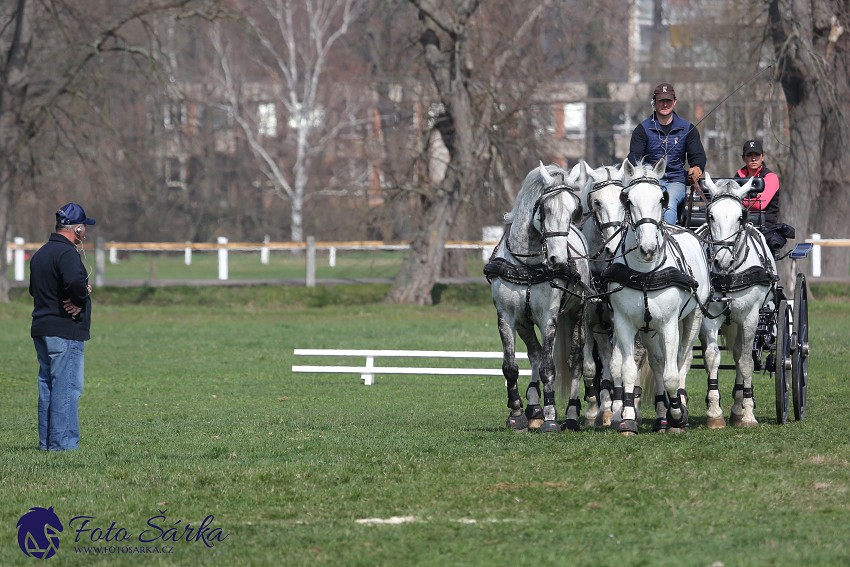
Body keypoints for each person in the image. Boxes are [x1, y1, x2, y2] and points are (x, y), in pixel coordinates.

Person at [29, 203, 96, 451]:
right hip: (64, 330)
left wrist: (78, 292)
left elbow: (34, 290)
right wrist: (80, 300)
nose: (85, 233)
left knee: (48, 386)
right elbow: (73, 283)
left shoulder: (41, 254)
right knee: (67, 387)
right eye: (84, 228)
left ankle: (48, 443)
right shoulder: (67, 254)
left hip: (42, 327)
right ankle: (63, 445)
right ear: (76, 228)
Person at [628, 82, 707, 225]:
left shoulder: (688, 129)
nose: (665, 104)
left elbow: (698, 156)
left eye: (668, 101)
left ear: (674, 102)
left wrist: (697, 167)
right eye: (661, 101)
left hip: (675, 181)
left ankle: (665, 245)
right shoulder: (642, 129)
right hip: (649, 182)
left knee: (667, 206)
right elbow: (634, 158)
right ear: (654, 102)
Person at [737, 139, 779, 225]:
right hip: (740, 226)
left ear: (762, 157)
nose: (753, 159)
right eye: (749, 155)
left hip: (766, 227)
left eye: (757, 155)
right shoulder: (737, 178)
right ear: (743, 158)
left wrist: (739, 201)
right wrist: (754, 199)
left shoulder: (771, 177)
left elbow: (760, 205)